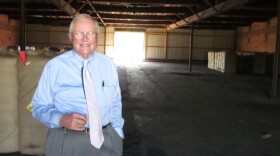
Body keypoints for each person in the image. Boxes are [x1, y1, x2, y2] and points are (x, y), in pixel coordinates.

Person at [31, 14, 124, 156]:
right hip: (68, 141)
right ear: (70, 37)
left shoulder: (108, 65)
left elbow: (116, 101)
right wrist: (61, 119)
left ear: (97, 37)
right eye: (79, 33)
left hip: (106, 139)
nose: (85, 39)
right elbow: (36, 106)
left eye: (90, 33)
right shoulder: (54, 67)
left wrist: (117, 133)